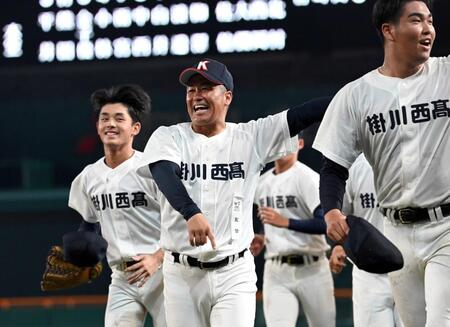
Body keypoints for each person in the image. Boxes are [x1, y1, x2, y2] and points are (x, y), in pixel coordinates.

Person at [137, 58, 331, 327]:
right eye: (191, 90)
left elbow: (302, 114)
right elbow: (163, 173)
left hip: (234, 273)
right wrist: (191, 212)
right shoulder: (169, 136)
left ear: (227, 96)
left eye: (206, 88)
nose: (196, 95)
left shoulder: (250, 137)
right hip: (181, 275)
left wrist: (352, 97)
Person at [313, 1, 450, 326]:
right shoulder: (355, 95)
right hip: (394, 232)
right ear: (389, 30)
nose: (428, 29)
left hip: (446, 225)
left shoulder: (446, 73)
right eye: (416, 20)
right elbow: (333, 166)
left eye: (430, 20)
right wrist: (332, 209)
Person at [68, 85, 166, 327]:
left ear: (135, 128)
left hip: (164, 273)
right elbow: (89, 225)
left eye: (118, 118)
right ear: (98, 127)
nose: (110, 124)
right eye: (104, 118)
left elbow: (184, 225)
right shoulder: (88, 177)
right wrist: (82, 253)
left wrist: (157, 258)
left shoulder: (153, 169)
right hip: (122, 277)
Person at [252, 133, 335, 327]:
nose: (281, 146)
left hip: (313, 268)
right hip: (276, 269)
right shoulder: (261, 182)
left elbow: (325, 223)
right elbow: (265, 221)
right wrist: (262, 237)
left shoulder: (307, 178)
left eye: (288, 140)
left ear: (300, 144)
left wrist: (287, 223)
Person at [329, 154, 403, 327]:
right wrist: (340, 246)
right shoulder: (354, 167)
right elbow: (342, 218)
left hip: (409, 266)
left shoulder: (413, 158)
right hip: (369, 273)